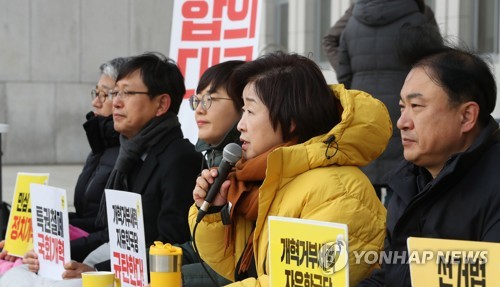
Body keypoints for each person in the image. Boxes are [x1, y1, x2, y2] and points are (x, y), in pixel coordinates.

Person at [189, 51, 391, 286]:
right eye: (242, 111)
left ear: (291, 121)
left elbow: (297, 282)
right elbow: (236, 266)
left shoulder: (338, 190)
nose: (241, 125)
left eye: (251, 111)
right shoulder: (260, 178)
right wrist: (214, 211)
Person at [1, 52, 203, 286]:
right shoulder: (132, 155)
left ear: (161, 104)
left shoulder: (180, 159)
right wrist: (53, 252)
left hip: (144, 277)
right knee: (21, 273)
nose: (115, 101)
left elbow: (170, 248)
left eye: (127, 93)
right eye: (115, 93)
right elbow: (111, 234)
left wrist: (98, 271)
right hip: (115, 264)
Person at [357, 45, 500, 286]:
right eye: (402, 107)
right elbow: (390, 279)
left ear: (466, 117)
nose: (402, 122)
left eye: (417, 107)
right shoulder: (406, 182)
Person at [327, 0, 440, 203]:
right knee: (402, 185)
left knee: (365, 189)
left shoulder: (353, 21)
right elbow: (436, 66)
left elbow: (342, 66)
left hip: (363, 112)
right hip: (405, 110)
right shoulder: (418, 18)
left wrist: (355, 86)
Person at [180, 60, 245, 287]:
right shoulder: (211, 158)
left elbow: (236, 269)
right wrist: (154, 261)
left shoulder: (249, 167)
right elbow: (200, 248)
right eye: (197, 100)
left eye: (211, 99)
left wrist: (173, 278)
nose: (199, 108)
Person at [69, 57, 128, 262]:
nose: (95, 102)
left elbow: (113, 231)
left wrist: (67, 249)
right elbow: (89, 218)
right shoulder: (100, 146)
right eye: (96, 92)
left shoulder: (128, 153)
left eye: (105, 94)